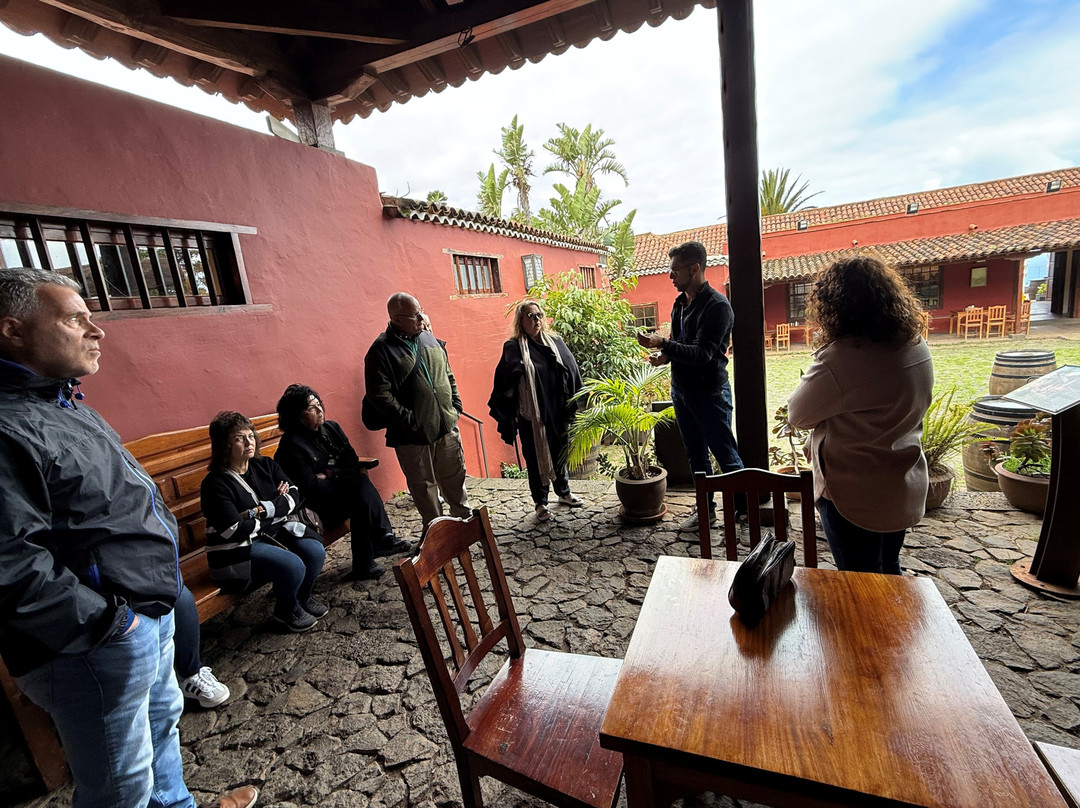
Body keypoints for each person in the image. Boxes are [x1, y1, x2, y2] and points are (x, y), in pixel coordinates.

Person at [0, 268, 256, 808]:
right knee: (120, 785)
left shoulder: (59, 403)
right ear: (12, 331)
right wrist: (113, 625)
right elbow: (11, 565)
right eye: (75, 319)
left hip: (141, 611)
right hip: (94, 639)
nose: (98, 331)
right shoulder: (8, 427)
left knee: (160, 732)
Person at [786, 255, 933, 575]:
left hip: (855, 495)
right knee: (889, 567)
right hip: (901, 483)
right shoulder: (915, 344)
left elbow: (797, 414)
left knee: (858, 582)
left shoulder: (842, 359)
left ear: (834, 307)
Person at [637, 240, 745, 532]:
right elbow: (682, 346)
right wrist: (664, 356)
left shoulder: (718, 307)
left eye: (675, 270)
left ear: (694, 268)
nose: (670, 276)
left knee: (725, 454)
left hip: (710, 392)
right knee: (695, 454)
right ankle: (705, 512)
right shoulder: (679, 304)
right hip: (682, 391)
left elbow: (702, 354)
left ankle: (743, 514)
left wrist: (664, 342)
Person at [201, 411, 327, 633]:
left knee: (314, 551)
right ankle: (286, 610)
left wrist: (259, 511)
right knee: (293, 564)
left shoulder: (265, 465)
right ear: (224, 445)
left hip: (269, 534)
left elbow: (294, 495)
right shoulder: (215, 484)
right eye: (239, 438)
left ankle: (301, 597)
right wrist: (275, 508)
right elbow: (233, 530)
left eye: (251, 435)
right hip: (235, 549)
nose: (249, 442)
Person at [275, 384, 415, 580]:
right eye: (311, 408)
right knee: (358, 490)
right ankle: (379, 544)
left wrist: (330, 473)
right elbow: (311, 486)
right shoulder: (291, 446)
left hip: (341, 492)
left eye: (319, 404)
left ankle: (371, 555)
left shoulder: (331, 428)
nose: (319, 410)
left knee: (359, 486)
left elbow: (350, 460)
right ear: (296, 416)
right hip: (317, 507)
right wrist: (338, 474)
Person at [363, 292, 471, 529]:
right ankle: (438, 534)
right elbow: (379, 395)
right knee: (425, 487)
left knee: (454, 477)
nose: (422, 318)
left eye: (421, 310)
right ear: (397, 318)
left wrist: (455, 406)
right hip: (412, 435)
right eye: (415, 315)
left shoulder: (429, 339)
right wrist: (410, 420)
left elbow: (447, 374)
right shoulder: (381, 350)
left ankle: (466, 526)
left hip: (445, 425)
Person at [488, 300, 585, 521]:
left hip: (557, 411)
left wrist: (574, 402)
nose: (537, 320)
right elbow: (503, 381)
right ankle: (540, 503)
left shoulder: (556, 342)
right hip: (531, 416)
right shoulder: (513, 348)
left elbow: (572, 370)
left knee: (560, 454)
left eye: (539, 315)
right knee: (534, 458)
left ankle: (564, 492)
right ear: (521, 321)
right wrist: (515, 376)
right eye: (531, 316)